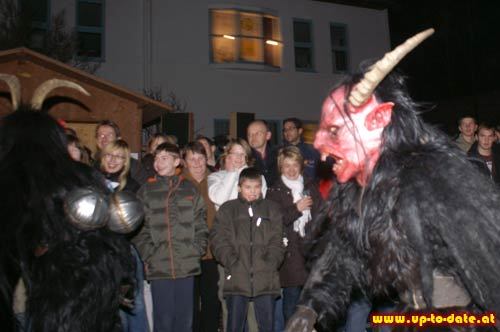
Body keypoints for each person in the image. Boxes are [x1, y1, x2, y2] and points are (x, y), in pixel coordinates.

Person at [285, 28, 500, 332]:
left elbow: (489, 264)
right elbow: (342, 255)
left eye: (334, 131)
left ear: (377, 121)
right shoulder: (362, 191)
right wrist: (310, 306)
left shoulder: (430, 179)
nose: (319, 146)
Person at [0, 76, 139, 332]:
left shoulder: (73, 174)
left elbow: (110, 225)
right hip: (78, 285)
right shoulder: (77, 174)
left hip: (70, 281)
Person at [134, 142, 208, 332]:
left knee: (184, 320)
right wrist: (149, 253)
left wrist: (197, 248)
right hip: (159, 264)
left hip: (186, 263)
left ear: (177, 162)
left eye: (164, 158)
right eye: (156, 158)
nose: (158, 162)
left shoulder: (189, 189)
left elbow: (200, 221)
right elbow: (138, 228)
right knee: (163, 320)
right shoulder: (145, 191)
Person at [210, 167, 285, 332]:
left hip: (265, 277)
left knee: (267, 326)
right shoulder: (228, 209)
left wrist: (270, 262)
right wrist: (232, 261)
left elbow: (277, 240)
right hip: (237, 276)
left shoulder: (271, 209)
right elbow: (218, 240)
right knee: (235, 326)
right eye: (248, 187)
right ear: (239, 188)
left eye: (256, 187)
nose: (253, 192)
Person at [266, 146, 322, 324]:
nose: (291, 170)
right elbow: (275, 220)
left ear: (301, 166)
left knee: (312, 302)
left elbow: (322, 214)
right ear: (280, 168)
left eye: (294, 165)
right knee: (291, 301)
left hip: (310, 252)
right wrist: (296, 209)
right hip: (290, 254)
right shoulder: (274, 191)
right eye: (286, 165)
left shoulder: (311, 185)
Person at [98, 139, 149, 332]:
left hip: (124, 248)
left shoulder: (132, 187)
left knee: (134, 301)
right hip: (98, 248)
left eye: (119, 157)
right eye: (110, 155)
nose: (113, 161)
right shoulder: (91, 180)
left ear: (125, 161)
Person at [182, 142, 221, 332]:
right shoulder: (179, 183)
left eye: (200, 158)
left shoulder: (216, 180)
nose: (197, 163)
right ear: (185, 162)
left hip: (212, 252)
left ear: (207, 159)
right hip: (187, 253)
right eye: (192, 159)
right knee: (189, 301)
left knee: (211, 299)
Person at [94, 120, 148, 184]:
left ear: (118, 139)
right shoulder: (94, 164)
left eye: (110, 135)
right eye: (101, 135)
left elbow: (142, 191)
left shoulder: (133, 166)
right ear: (96, 140)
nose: (104, 139)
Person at [247, 120, 278, 186]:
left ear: (268, 135)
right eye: (250, 134)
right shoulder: (244, 157)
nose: (253, 137)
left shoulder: (279, 155)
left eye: (257, 133)